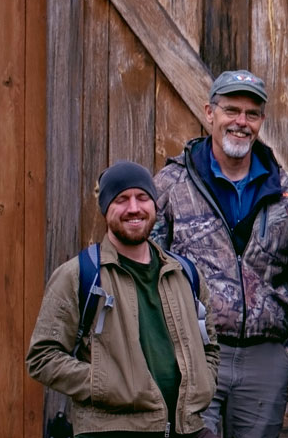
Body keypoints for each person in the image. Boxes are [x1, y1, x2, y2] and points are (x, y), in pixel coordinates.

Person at [149, 70, 288, 438]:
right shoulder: (172, 184)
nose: (241, 122)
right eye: (231, 110)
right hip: (194, 356)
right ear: (209, 113)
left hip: (265, 360)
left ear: (261, 121)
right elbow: (150, 270)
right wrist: (169, 350)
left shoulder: (286, 191)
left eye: (252, 114)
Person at [29, 160, 219, 437]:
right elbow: (42, 357)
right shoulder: (80, 275)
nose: (134, 208)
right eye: (121, 199)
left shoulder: (185, 274)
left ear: (154, 205)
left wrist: (205, 383)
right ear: (106, 209)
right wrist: (102, 383)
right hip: (111, 429)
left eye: (142, 198)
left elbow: (210, 346)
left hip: (187, 428)